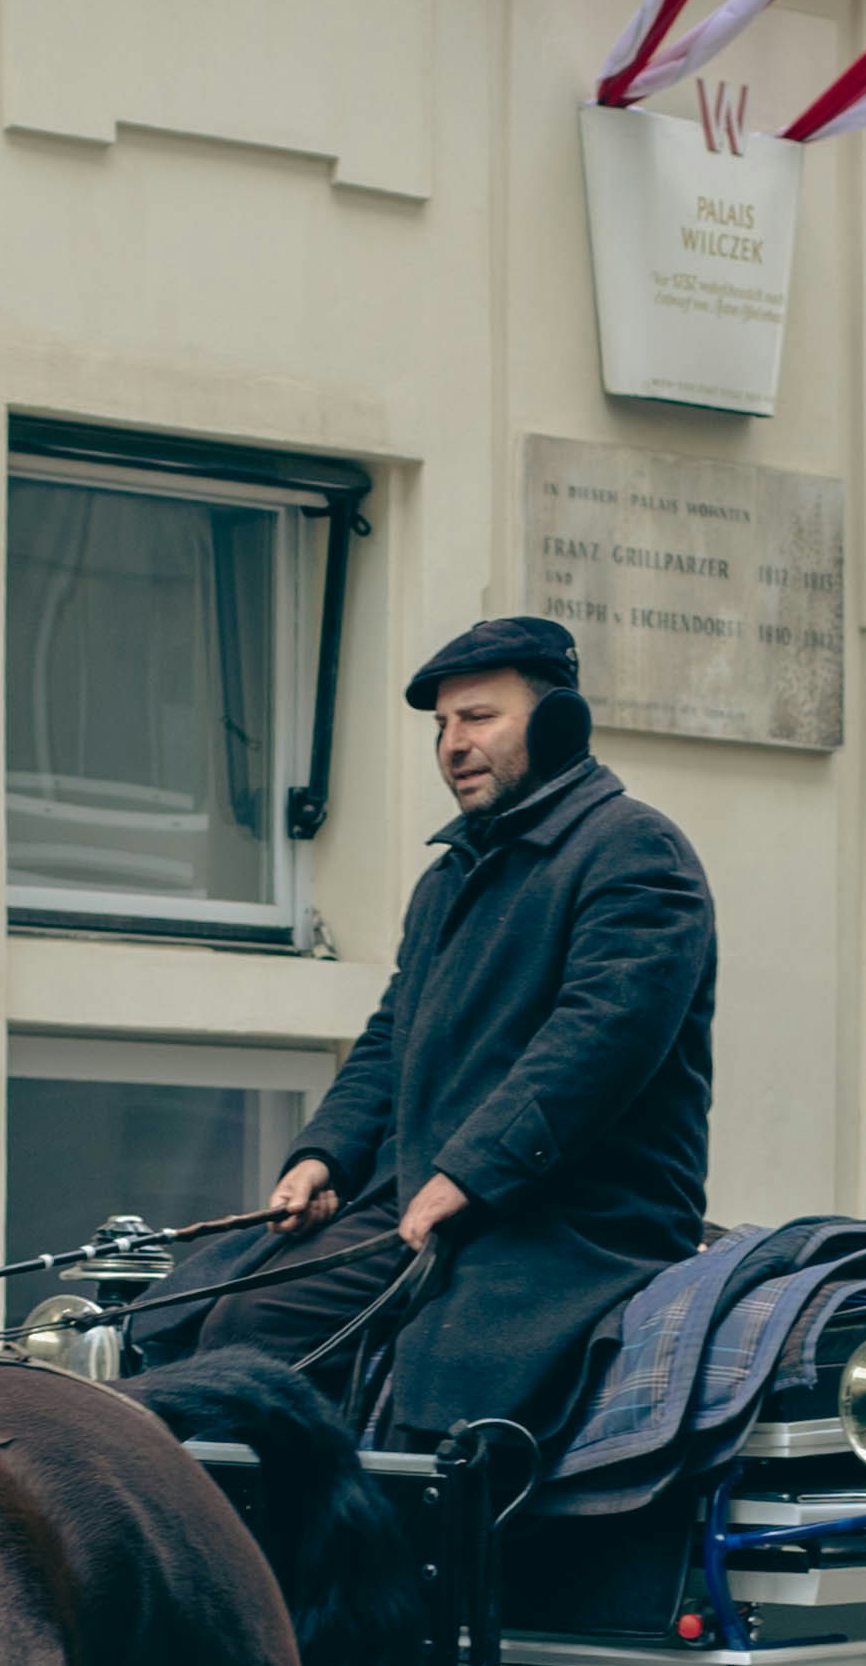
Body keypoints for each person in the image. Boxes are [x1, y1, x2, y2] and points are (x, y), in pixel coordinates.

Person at [162, 615, 716, 1444]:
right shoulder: (447, 876)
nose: (452, 744)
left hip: (567, 1219)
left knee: (325, 1352)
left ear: (558, 723)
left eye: (478, 717)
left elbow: (600, 1040)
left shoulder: (635, 850)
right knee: (186, 1317)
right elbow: (389, 1038)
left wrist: (471, 1173)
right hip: (417, 1201)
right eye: (441, 726)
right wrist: (322, 1155)